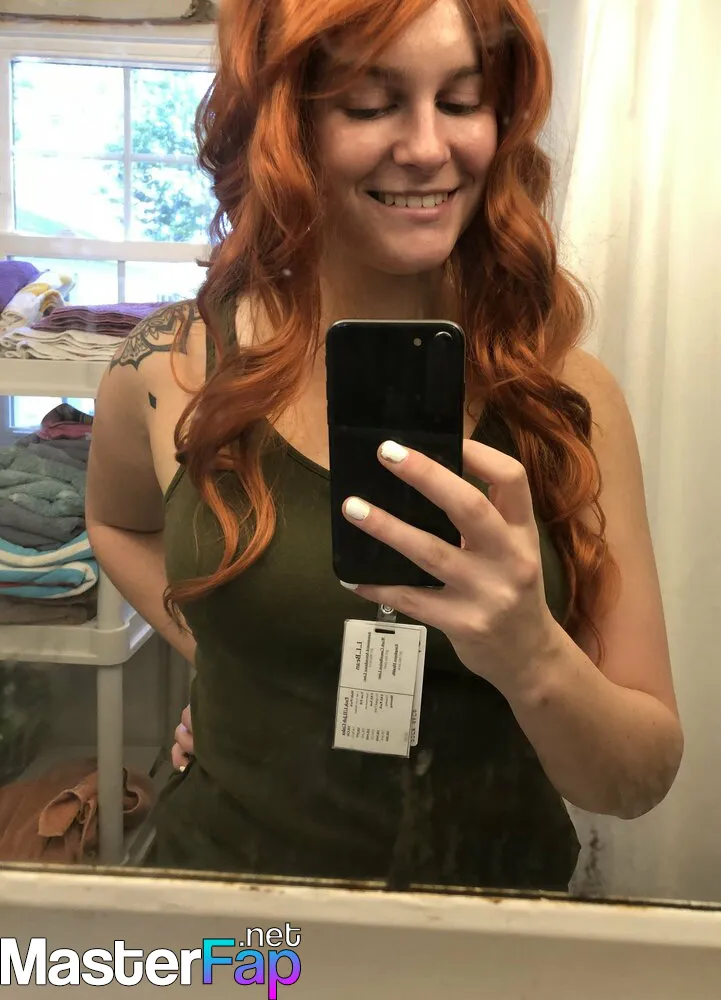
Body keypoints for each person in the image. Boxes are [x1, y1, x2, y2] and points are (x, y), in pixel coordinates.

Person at [86, 0, 683, 892]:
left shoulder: (567, 400)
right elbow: (115, 523)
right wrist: (226, 661)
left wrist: (529, 650)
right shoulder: (171, 365)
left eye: (463, 101)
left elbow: (637, 780)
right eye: (371, 104)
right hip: (234, 921)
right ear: (284, 123)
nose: (428, 147)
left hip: (488, 929)